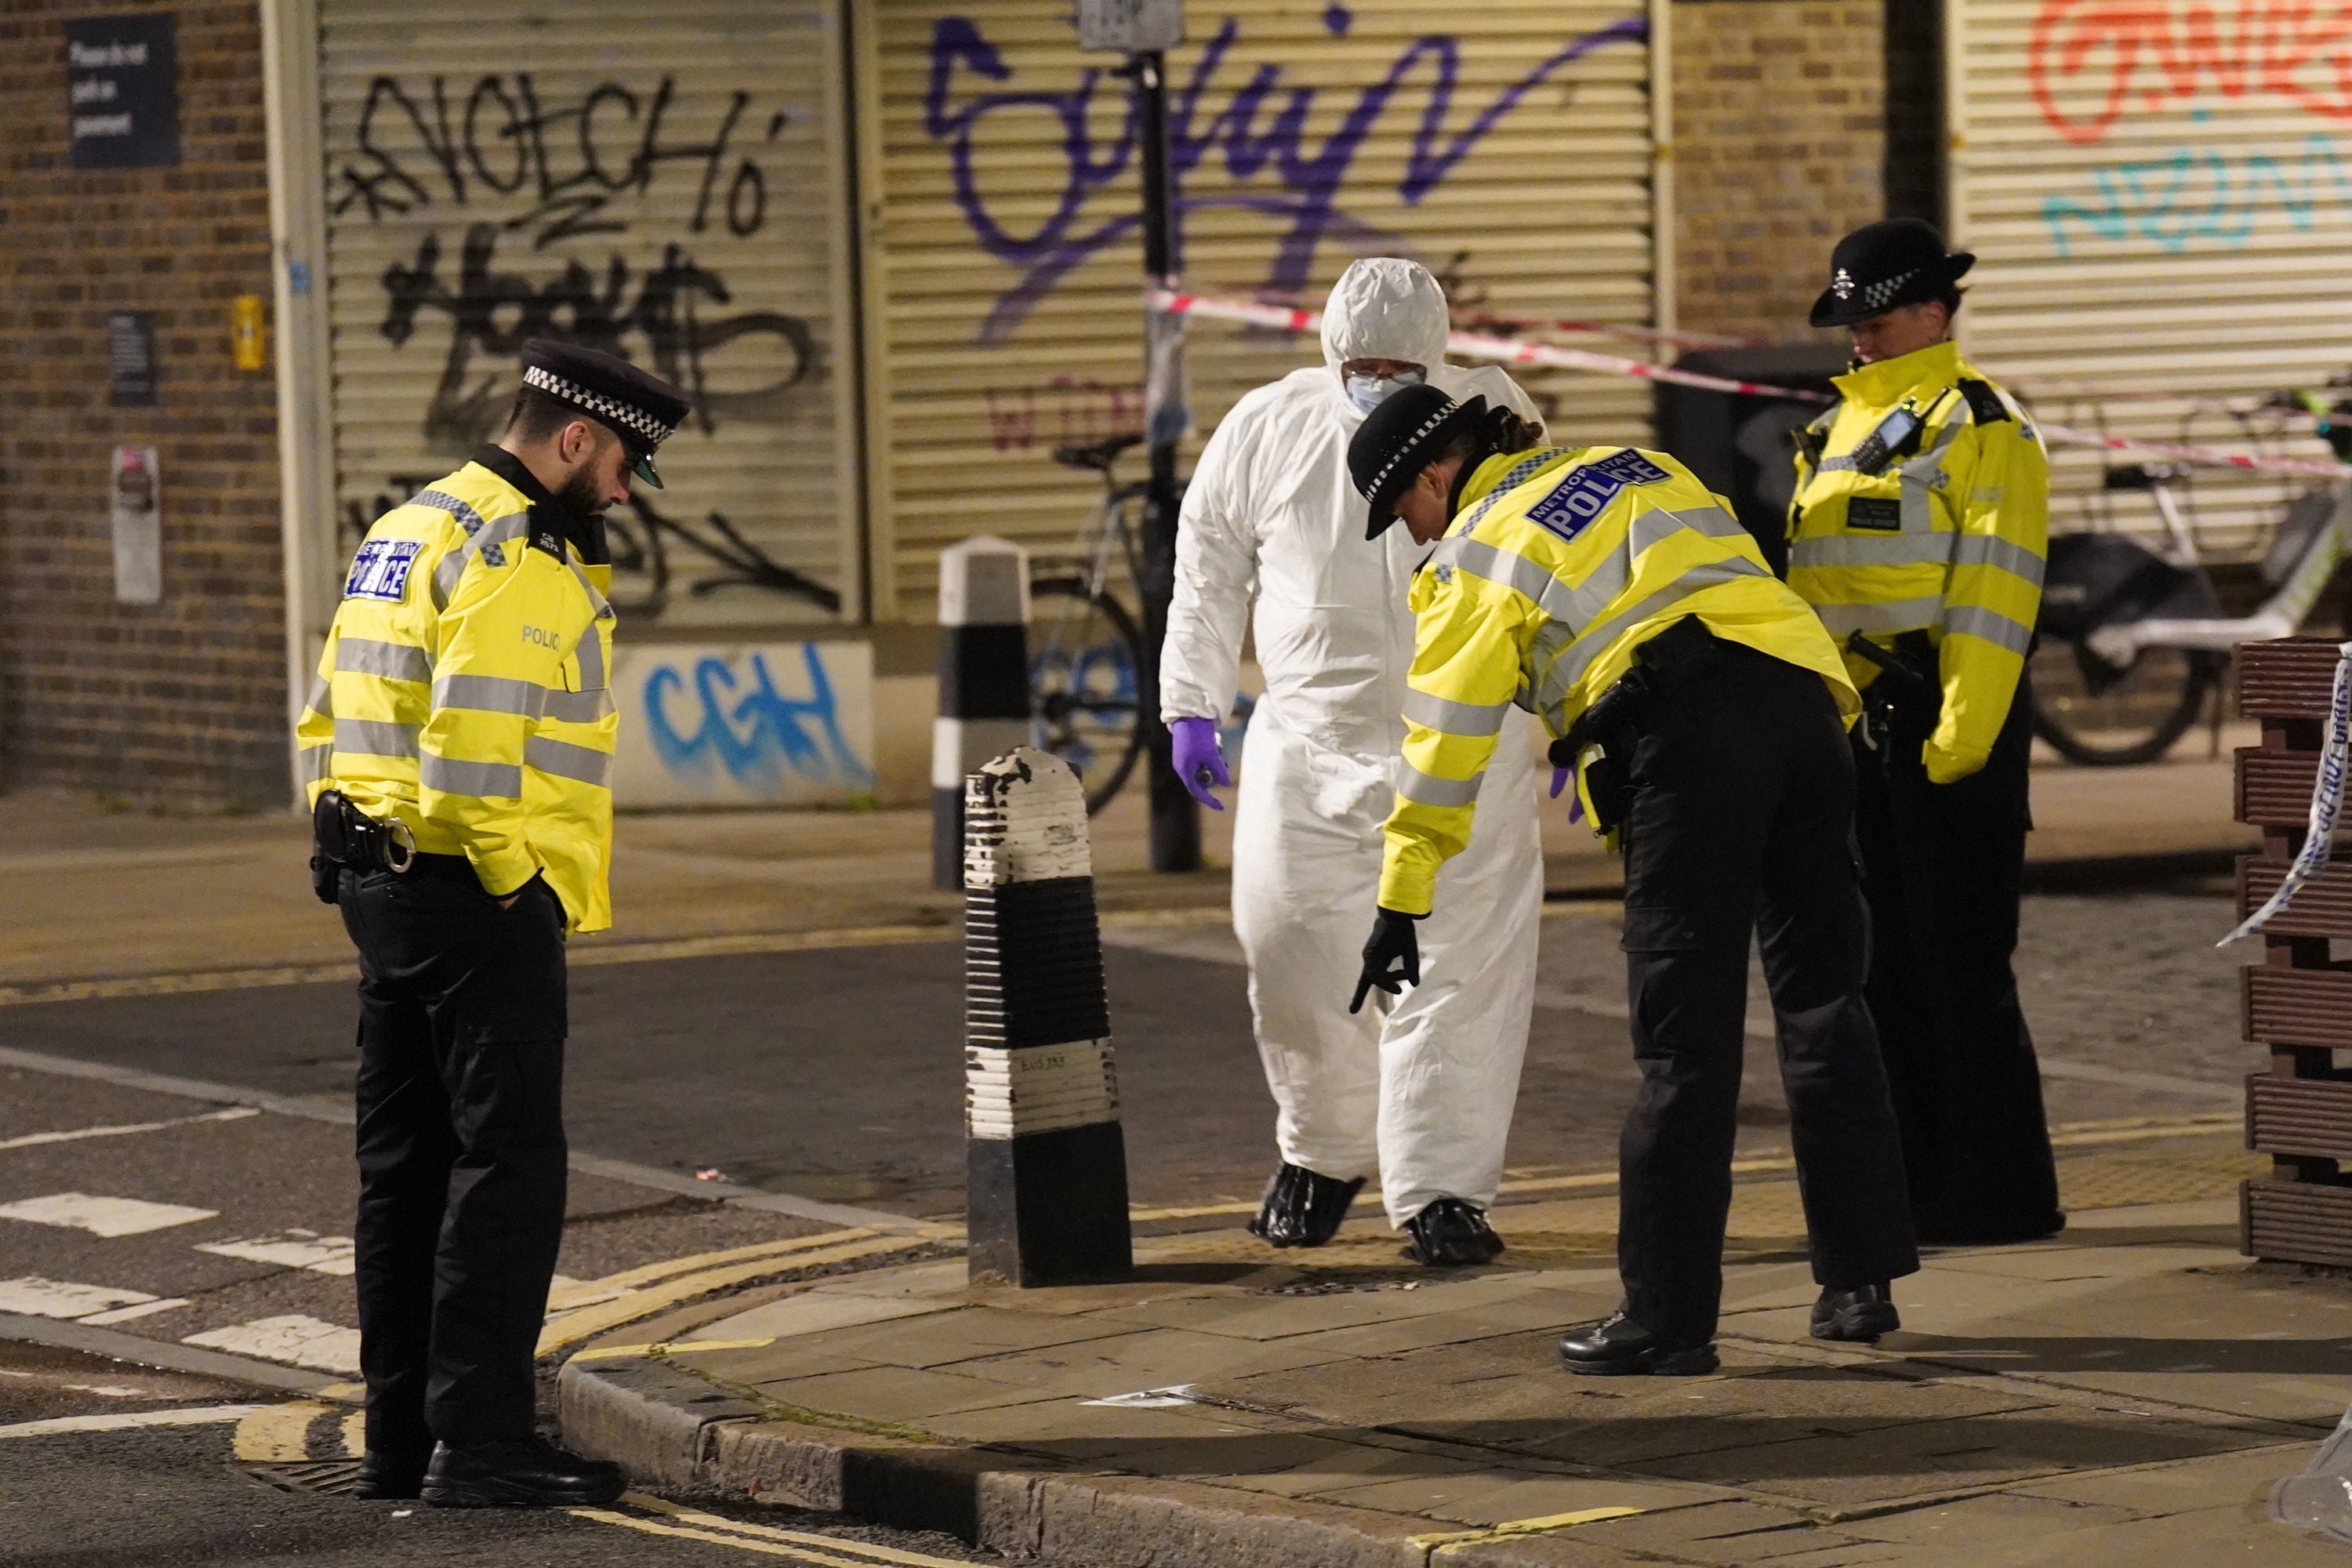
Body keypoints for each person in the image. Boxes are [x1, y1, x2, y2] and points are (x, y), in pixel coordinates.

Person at [1345, 384, 1918, 1373]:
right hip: (1805, 716)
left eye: (1403, 510)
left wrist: (1402, 895)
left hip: (1691, 755)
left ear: (1436, 475)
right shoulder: (1634, 465)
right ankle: (1859, 1283)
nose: (1410, 532)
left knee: (1681, 1047)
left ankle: (1668, 1316)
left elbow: (1444, 749)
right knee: (1827, 1004)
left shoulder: (1478, 548)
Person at [296, 341, 690, 1505]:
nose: (623, 493)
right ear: (575, 439)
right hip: (475, 892)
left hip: (378, 879)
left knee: (403, 1169)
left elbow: (330, 707)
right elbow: (472, 764)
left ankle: (398, 1440)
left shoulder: (411, 524)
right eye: (623, 466)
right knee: (505, 1170)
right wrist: (521, 888)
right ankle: (482, 1443)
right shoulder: (523, 555)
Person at [1160, 257, 1545, 1265]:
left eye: (1397, 364)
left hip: (1467, 738)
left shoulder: (1497, 413)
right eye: (1362, 363)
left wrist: (1569, 706)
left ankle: (1442, 1189)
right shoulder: (1267, 424)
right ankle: (1322, 1150)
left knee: (1462, 968)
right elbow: (1207, 560)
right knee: (1288, 942)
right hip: (1307, 740)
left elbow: (1553, 549)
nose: (1377, 380)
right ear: (1331, 352)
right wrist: (1193, 702)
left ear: (1437, 356)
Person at [1788, 219, 2062, 1244]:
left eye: (1878, 315)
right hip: (1865, 730)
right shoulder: (1839, 431)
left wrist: (1960, 740)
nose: (1859, 334)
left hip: (1947, 721)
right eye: (1850, 317)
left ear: (1935, 311)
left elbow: (1997, 598)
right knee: (1888, 969)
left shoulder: (1981, 425)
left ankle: (2006, 1192)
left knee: (1964, 968)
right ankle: (1924, 1175)